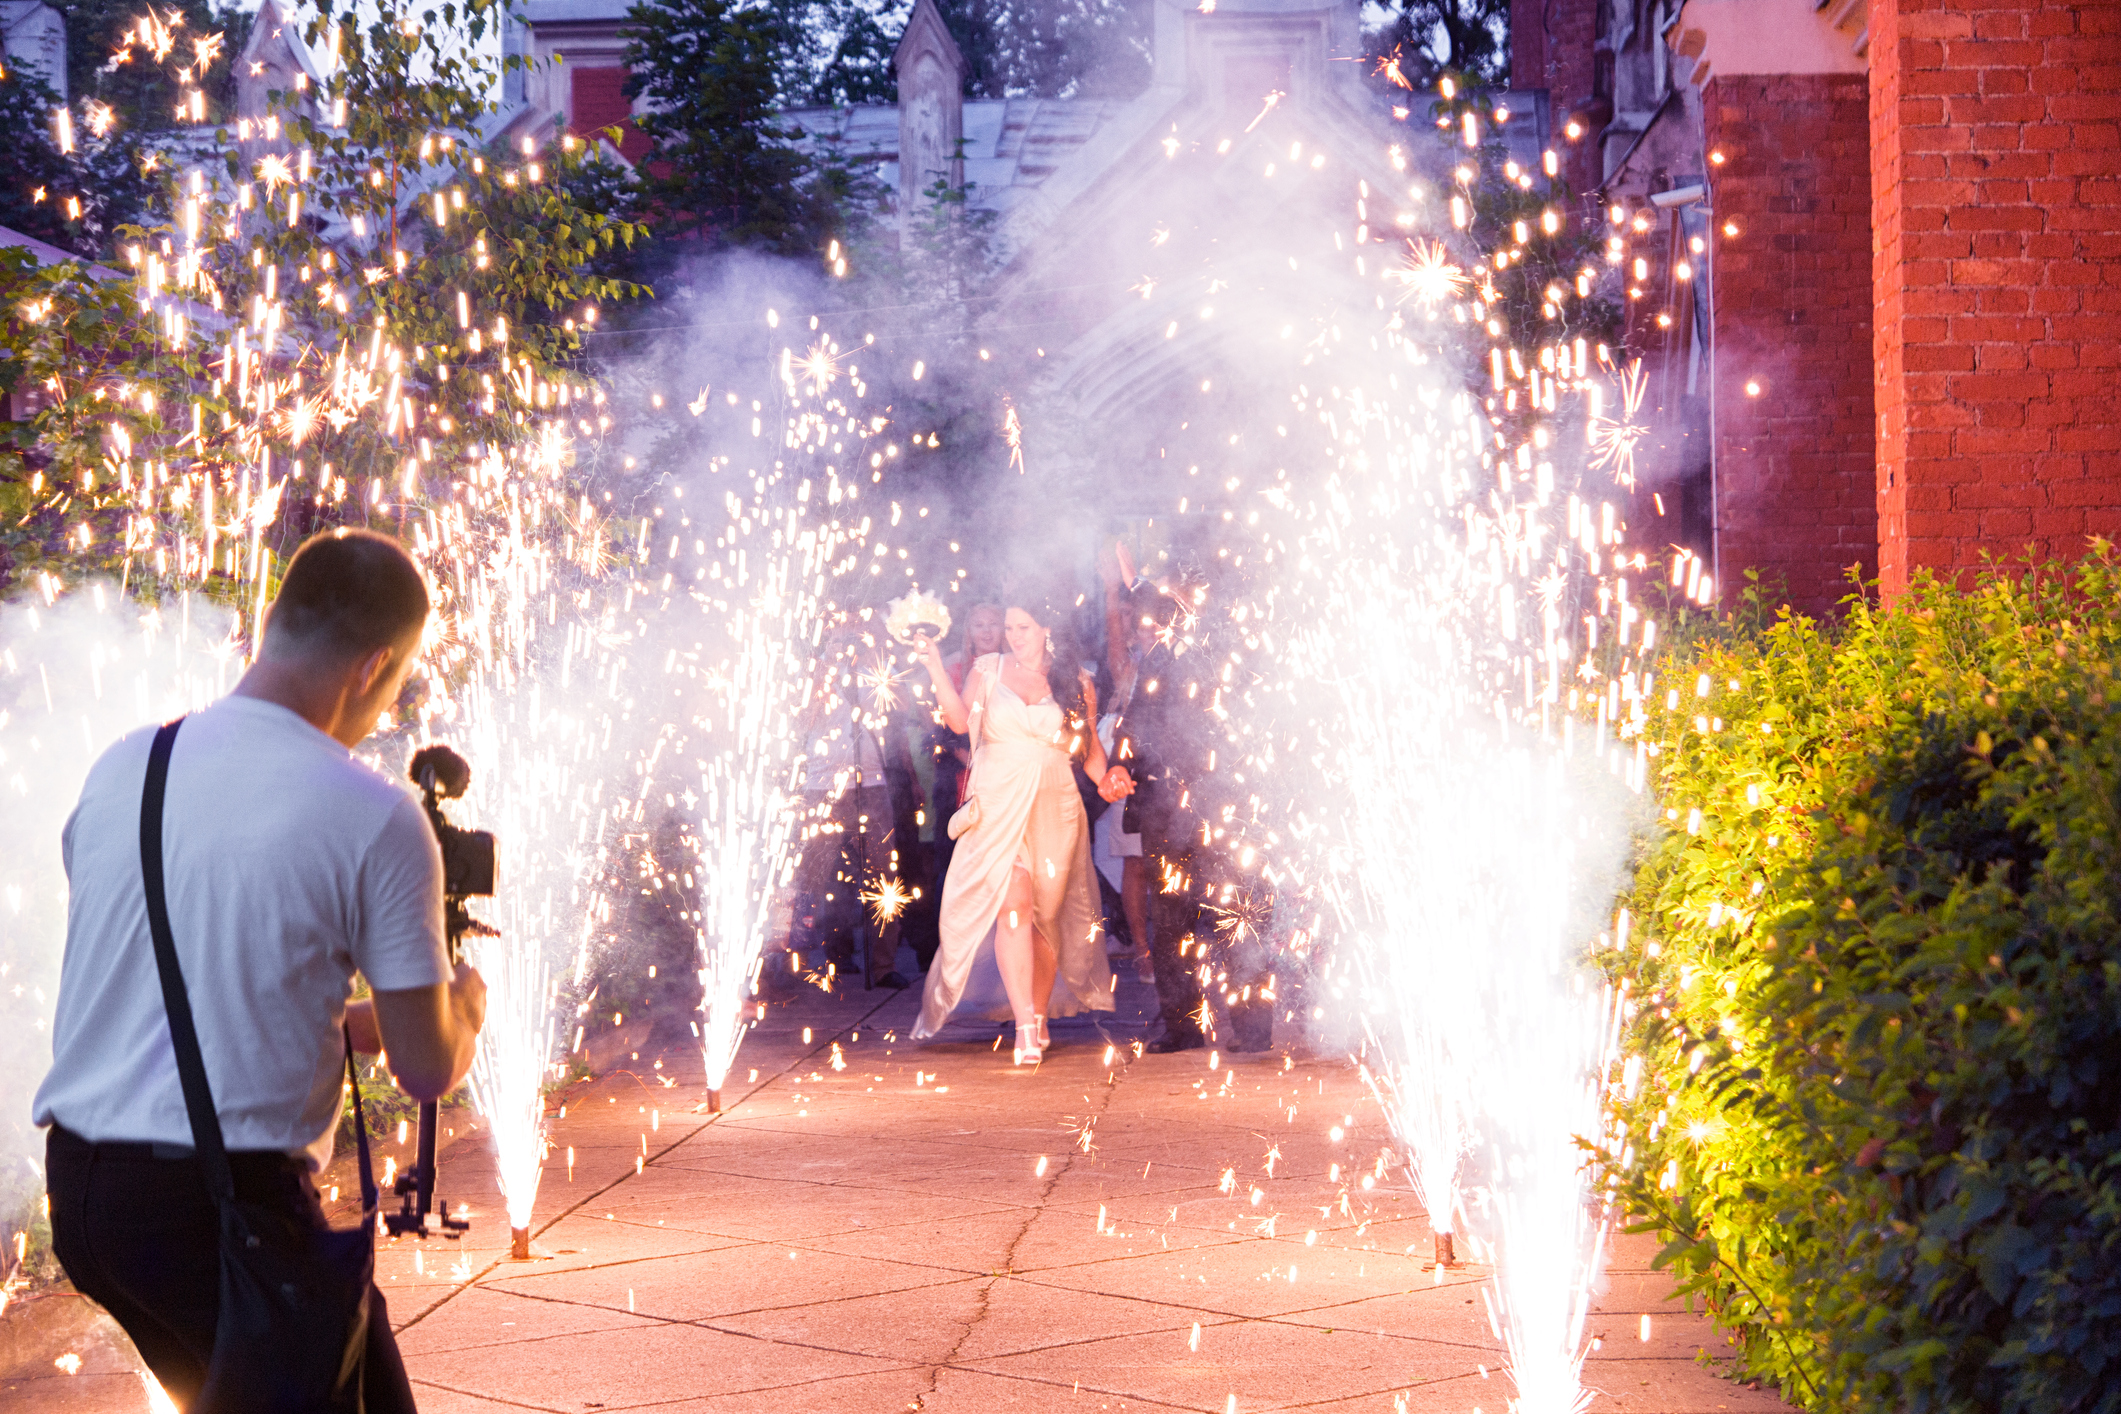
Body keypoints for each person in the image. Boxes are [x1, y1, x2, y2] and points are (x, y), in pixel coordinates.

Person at [33, 528, 487, 1413]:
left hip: (89, 1198)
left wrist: (348, 1020)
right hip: (218, 1206)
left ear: (273, 620)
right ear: (374, 666)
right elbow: (428, 1067)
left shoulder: (130, 763)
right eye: (394, 686)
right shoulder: (373, 814)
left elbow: (179, 960)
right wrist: (463, 1004)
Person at [910, 593, 1125, 1062]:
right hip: (999, 799)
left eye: (1023, 628)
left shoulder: (1075, 680)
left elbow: (1088, 752)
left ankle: (1040, 1013)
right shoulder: (988, 669)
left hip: (1054, 804)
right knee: (1015, 902)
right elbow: (959, 721)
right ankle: (1024, 1023)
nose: (1013, 637)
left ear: (1047, 629)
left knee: (1045, 917)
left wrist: (1109, 778)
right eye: (1009, 628)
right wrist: (932, 668)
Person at [1103, 549, 1273, 1054]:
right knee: (1170, 915)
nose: (1163, 612)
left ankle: (1251, 1025)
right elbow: (1136, 721)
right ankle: (1181, 1025)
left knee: (1231, 912)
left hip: (1221, 806)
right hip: (1161, 807)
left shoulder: (1227, 647)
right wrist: (1119, 764)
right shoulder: (1158, 656)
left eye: (1176, 596)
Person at [910, 603, 1003, 972]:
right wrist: (963, 754)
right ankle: (947, 954)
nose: (985, 631)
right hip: (958, 783)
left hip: (1004, 781)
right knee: (955, 868)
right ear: (968, 629)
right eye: (978, 623)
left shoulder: (1016, 667)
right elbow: (941, 721)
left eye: (992, 623)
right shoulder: (953, 665)